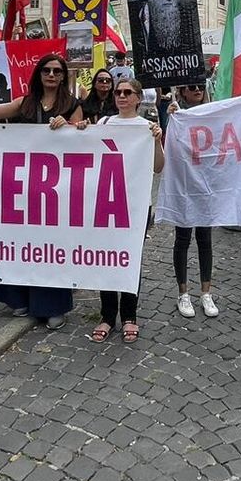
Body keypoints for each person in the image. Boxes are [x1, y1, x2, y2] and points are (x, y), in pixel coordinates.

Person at [0, 53, 84, 327]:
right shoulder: (25, 102)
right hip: (20, 183)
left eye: (57, 71)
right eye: (46, 70)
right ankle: (19, 298)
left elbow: (82, 139)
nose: (51, 75)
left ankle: (51, 304)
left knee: (50, 245)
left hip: (54, 188)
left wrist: (71, 126)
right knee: (20, 241)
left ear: (63, 76)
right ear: (39, 74)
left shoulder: (72, 104)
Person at [91, 75, 163, 342]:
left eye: (127, 92)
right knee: (106, 258)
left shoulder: (147, 127)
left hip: (135, 204)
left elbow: (158, 167)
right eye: (118, 92)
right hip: (106, 202)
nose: (121, 96)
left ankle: (129, 316)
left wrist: (157, 140)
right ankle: (107, 316)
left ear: (138, 97)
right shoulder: (104, 123)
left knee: (130, 260)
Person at [164, 81, 219, 318]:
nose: (198, 90)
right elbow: (168, 147)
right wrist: (170, 118)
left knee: (205, 239)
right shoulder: (177, 115)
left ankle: (206, 293)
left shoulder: (214, 113)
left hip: (205, 185)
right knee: (183, 239)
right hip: (184, 185)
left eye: (200, 86)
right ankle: (183, 293)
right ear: (183, 91)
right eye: (193, 87)